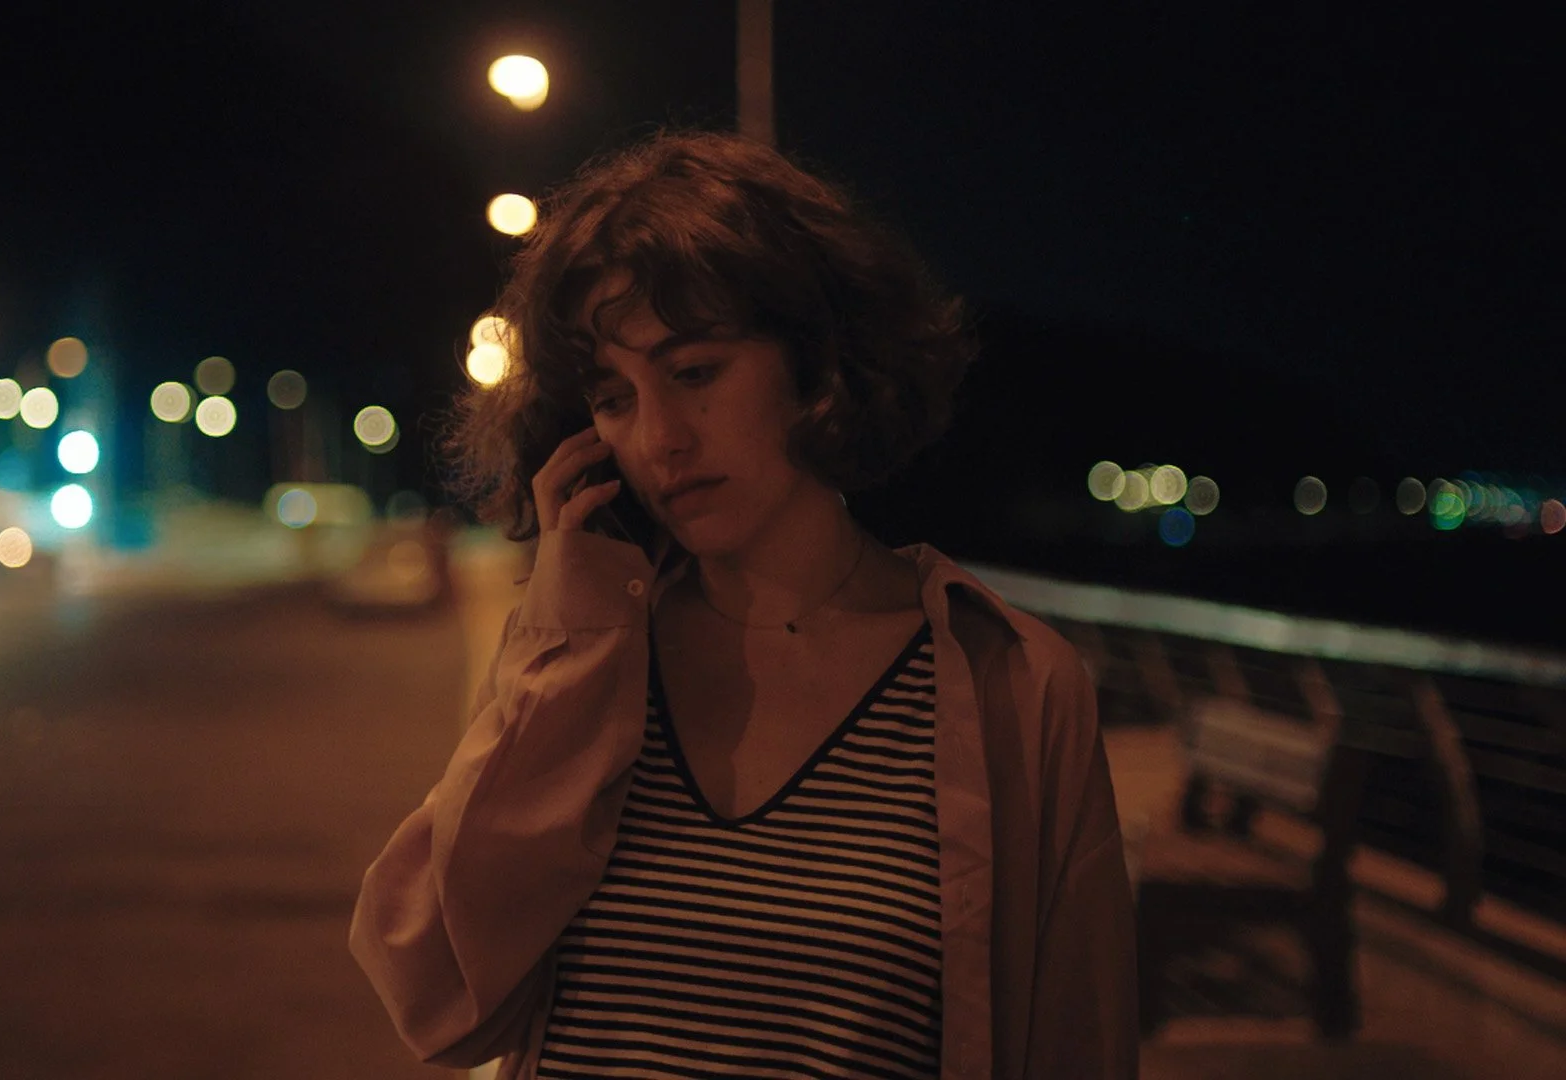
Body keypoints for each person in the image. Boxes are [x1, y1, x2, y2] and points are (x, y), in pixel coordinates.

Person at [350, 129, 1137, 1080]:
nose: (660, 439)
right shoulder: (584, 656)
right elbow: (436, 999)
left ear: (817, 363)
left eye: (694, 373)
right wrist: (570, 638)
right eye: (614, 397)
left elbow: (1077, 1046)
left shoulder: (1011, 686)